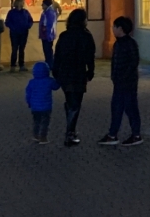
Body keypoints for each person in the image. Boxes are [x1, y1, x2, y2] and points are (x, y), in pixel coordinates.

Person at [52, 8, 96, 147]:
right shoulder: (86, 36)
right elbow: (90, 56)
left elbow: (57, 55)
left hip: (65, 73)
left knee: (71, 101)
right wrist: (91, 71)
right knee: (76, 103)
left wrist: (56, 71)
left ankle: (71, 130)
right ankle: (70, 133)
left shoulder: (65, 35)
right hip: (78, 73)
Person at [98, 16, 143, 146]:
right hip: (119, 82)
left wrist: (124, 76)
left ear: (121, 29)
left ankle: (136, 135)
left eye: (114, 26)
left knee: (130, 108)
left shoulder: (130, 44)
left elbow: (134, 62)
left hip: (127, 83)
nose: (112, 29)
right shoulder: (118, 43)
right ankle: (113, 134)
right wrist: (114, 76)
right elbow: (115, 63)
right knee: (117, 108)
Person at [24, 61, 59, 144]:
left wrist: (29, 102)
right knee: (45, 122)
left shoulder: (32, 82)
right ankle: (43, 137)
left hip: (35, 107)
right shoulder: (49, 81)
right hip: (46, 107)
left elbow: (28, 94)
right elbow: (56, 87)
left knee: (36, 122)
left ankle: (35, 135)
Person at [4, 0, 34, 72]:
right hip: (14, 33)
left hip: (24, 32)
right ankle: (13, 65)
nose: (24, 3)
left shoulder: (26, 12)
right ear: (18, 3)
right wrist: (13, 27)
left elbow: (30, 20)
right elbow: (7, 22)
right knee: (14, 49)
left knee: (22, 49)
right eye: (22, 2)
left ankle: (21, 65)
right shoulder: (11, 12)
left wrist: (28, 26)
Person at [38, 0, 57, 66]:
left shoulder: (50, 12)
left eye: (43, 4)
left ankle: (50, 64)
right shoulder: (47, 12)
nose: (42, 6)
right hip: (46, 34)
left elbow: (50, 25)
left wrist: (48, 34)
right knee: (47, 50)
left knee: (47, 50)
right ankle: (49, 63)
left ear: (46, 5)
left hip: (47, 35)